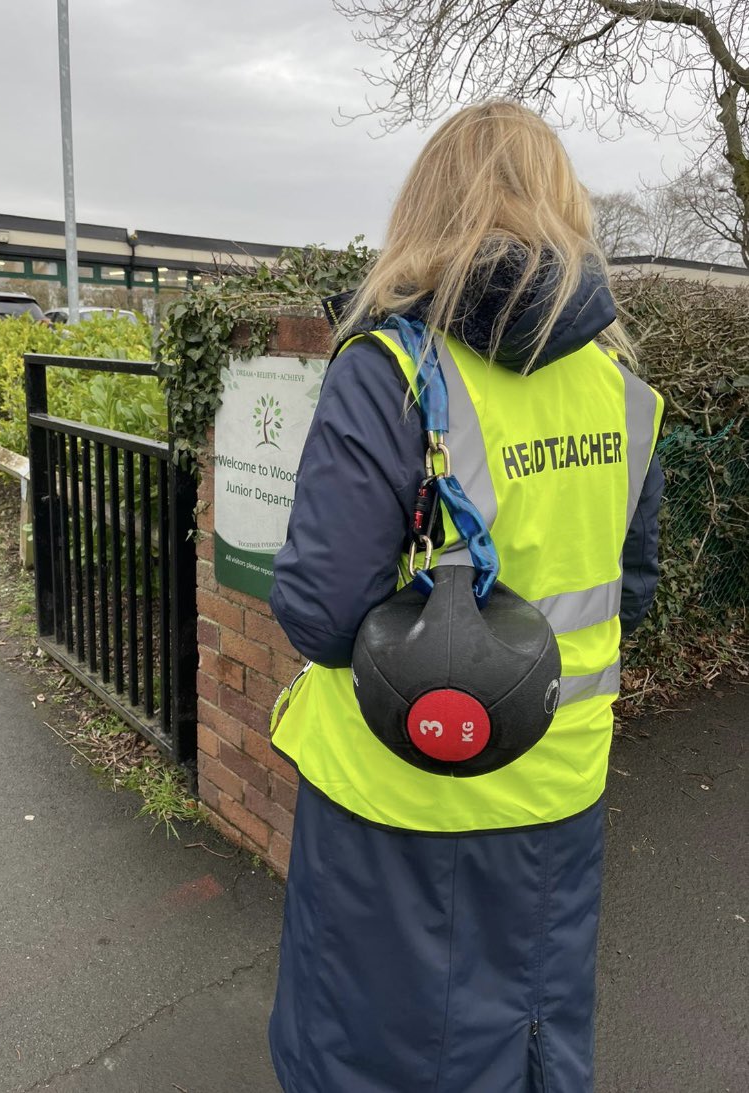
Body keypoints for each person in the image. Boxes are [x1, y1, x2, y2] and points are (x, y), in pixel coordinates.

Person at [267, 100, 664, 1093]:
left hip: (395, 795)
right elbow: (634, 587)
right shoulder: (624, 393)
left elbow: (320, 615)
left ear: (426, 210)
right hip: (558, 790)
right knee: (526, 1038)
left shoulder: (391, 370)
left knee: (377, 1056)